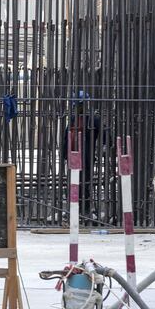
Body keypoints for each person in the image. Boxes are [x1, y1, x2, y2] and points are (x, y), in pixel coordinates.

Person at [61, 90, 103, 224]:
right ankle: (74, 210)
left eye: (79, 105)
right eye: (76, 106)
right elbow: (66, 137)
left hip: (86, 158)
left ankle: (84, 210)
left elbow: (106, 135)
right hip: (73, 157)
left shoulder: (94, 119)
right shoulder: (73, 119)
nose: (77, 108)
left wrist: (107, 146)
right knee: (74, 183)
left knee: (84, 184)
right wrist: (64, 154)